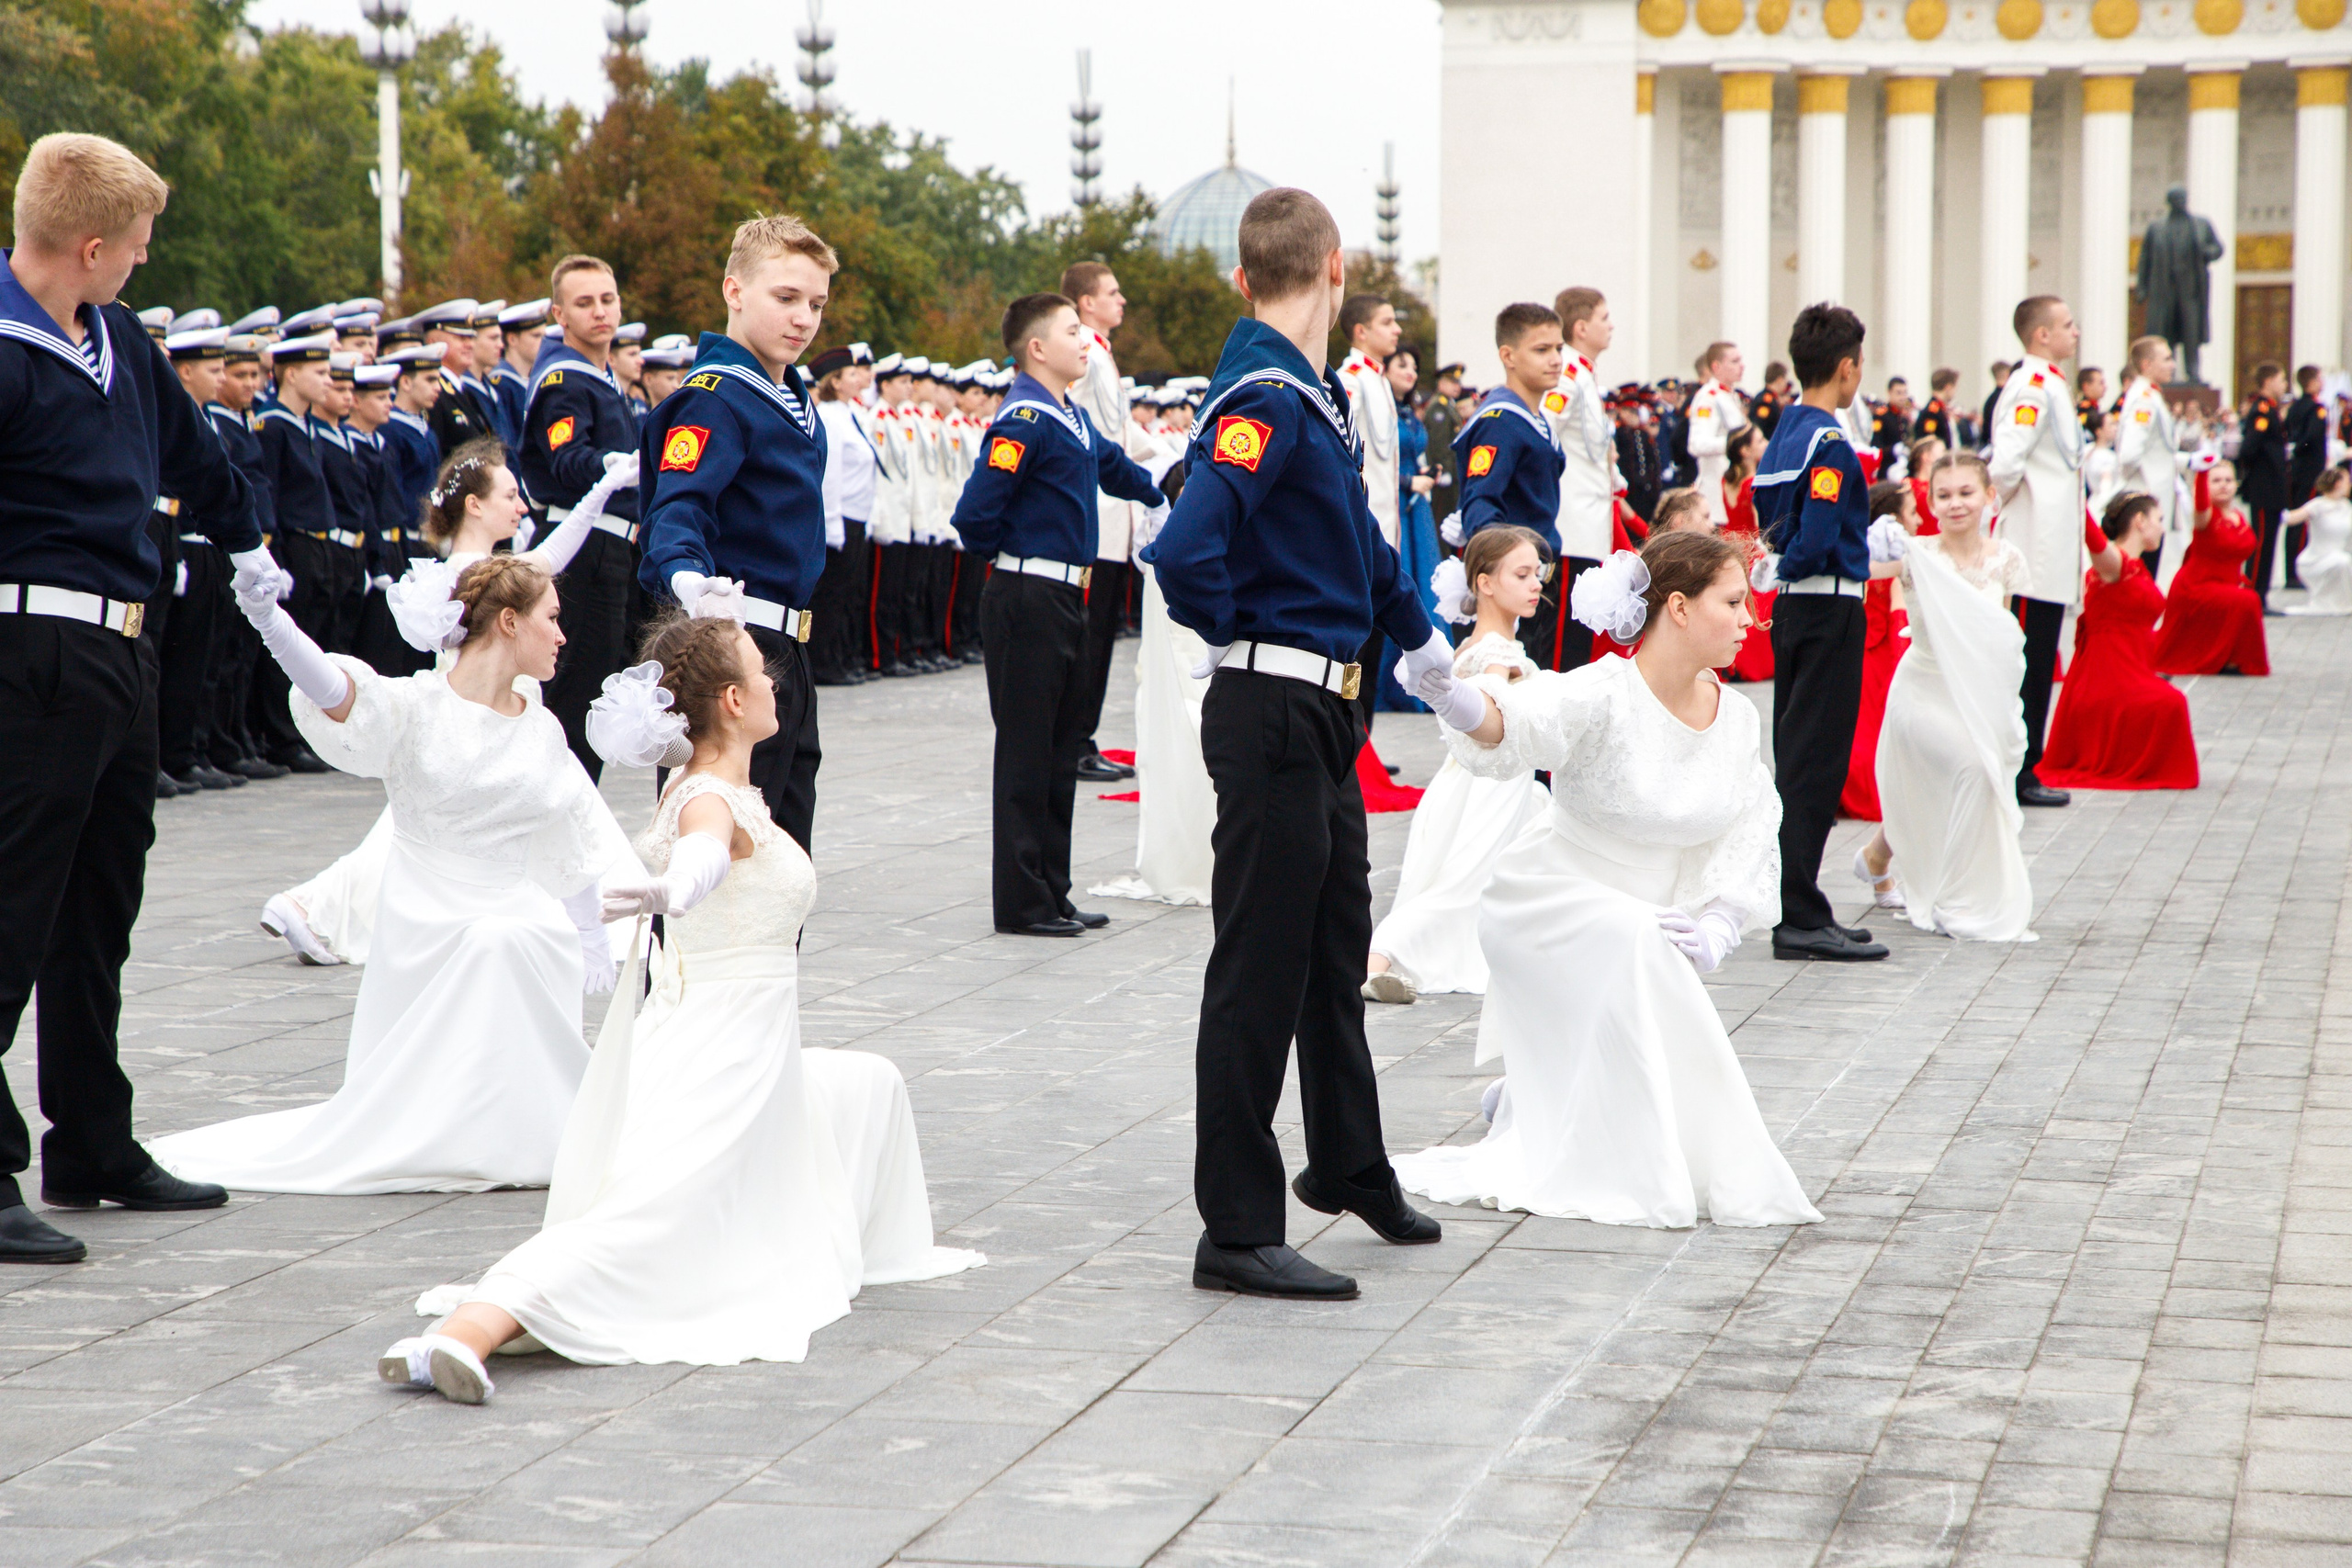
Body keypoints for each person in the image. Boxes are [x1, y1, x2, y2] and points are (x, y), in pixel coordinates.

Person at [379, 614, 981, 1404]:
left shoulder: (724, 787)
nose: (776, 682)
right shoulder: (706, 796)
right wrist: (672, 889)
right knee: (644, 1230)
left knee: (867, 1081)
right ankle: (461, 1335)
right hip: (723, 1053)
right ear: (733, 701)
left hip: (735, 1039)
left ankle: (497, 1321)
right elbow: (702, 853)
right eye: (762, 673)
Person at [1141, 186, 1468, 1302]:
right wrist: (1242, 630)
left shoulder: (1309, 400)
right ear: (1337, 267)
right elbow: (1186, 552)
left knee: (1332, 953)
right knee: (1258, 971)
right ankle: (1233, 1228)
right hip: (1276, 706)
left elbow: (1364, 552)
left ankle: (1347, 1161)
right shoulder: (1267, 395)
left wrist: (1427, 656)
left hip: (1323, 710)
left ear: (1245, 277)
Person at [0, 133, 289, 1258]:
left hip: (121, 651)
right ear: (88, 244)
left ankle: (92, 1138)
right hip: (27, 648)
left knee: (97, 911)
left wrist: (248, 540)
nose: (142, 264)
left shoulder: (117, 338)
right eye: (136, 247)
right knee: (13, 908)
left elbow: (195, 455)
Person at [153, 554, 632, 1195]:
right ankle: (453, 1124)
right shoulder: (417, 706)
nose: (563, 634)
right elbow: (334, 689)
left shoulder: (541, 726)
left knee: (514, 937)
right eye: (553, 617)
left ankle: (534, 1120)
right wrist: (270, 621)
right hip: (430, 914)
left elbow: (569, 826)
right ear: (511, 622)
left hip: (520, 908)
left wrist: (590, 930)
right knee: (495, 943)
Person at [1391, 530, 1819, 1230]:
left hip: (1650, 917)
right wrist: (1451, 696)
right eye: (1735, 602)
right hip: (1549, 900)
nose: (1753, 619)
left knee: (1643, 944)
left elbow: (1750, 821)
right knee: (1637, 941)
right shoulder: (1603, 691)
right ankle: (1593, 1136)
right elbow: (1518, 724)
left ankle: (1533, 1099)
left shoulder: (1737, 718)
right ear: (1677, 607)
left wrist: (1720, 918)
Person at [258, 443, 635, 968]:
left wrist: (602, 491)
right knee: (423, 833)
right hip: (469, 715)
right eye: (510, 494)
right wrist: (601, 491)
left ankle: (312, 904)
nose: (522, 505)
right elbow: (548, 558)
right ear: (475, 505)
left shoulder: (489, 567)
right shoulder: (470, 571)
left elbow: (551, 555)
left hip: (504, 714)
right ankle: (314, 904)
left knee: (436, 826)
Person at [949, 292, 1164, 938]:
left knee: (1059, 747)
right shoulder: (1024, 419)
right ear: (1037, 348)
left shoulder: (1064, 412)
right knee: (1026, 751)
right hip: (1028, 596)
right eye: (1074, 331)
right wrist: (1017, 561)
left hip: (1068, 594)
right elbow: (974, 516)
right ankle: (1023, 902)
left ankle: (1054, 889)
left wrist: (1165, 489)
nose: (1085, 341)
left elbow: (1113, 465)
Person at [637, 215, 836, 855]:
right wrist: (693, 581)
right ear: (734, 291)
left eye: (816, 303)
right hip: (735, 645)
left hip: (786, 649)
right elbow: (676, 512)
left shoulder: (790, 399)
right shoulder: (718, 397)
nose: (804, 317)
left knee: (782, 846)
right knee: (721, 846)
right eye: (786, 298)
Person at [1363, 528, 1551, 1004]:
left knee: (1469, 880)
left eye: (1538, 575)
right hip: (1492, 784)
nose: (1536, 585)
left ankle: (1382, 960)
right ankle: (1376, 960)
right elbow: (1491, 704)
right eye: (1523, 574)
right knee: (1462, 885)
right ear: (1485, 583)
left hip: (1465, 782)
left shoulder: (1471, 644)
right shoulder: (1497, 654)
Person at [1856, 453, 2038, 942]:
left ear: (1988, 497)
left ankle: (1878, 855)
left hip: (1978, 692)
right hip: (1923, 689)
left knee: (1978, 771)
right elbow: (1859, 567)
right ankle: (1957, 897)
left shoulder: (2007, 559)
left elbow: (1997, 634)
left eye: (1966, 492)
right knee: (1972, 770)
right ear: (1929, 501)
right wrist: (1873, 537)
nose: (1956, 504)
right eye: (1944, 495)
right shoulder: (1915, 554)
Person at [1754, 302, 1888, 963]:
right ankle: (1799, 913)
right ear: (1846, 368)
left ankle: (1801, 903)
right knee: (1814, 765)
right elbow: (1813, 534)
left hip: (1793, 610)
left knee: (1799, 757)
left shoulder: (1783, 433)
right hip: (1826, 605)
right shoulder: (1827, 440)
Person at [526, 255, 643, 779]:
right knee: (574, 693)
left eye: (607, 299)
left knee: (595, 685)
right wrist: (612, 466)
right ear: (560, 315)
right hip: (582, 545)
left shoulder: (603, 376)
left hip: (610, 544)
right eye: (584, 303)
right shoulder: (564, 381)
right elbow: (567, 458)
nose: (600, 312)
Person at [1987, 296, 2089, 808]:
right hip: (2031, 547)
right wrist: (2001, 515)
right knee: (2027, 663)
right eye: (2067, 325)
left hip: (2049, 549)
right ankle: (2019, 769)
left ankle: (2028, 766)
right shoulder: (2032, 385)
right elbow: (2006, 462)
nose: (2076, 332)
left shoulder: (2050, 382)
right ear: (2041, 335)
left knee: (2042, 656)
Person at [2041, 491, 2199, 791]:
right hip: (2107, 678)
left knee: (2170, 700)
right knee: (2171, 703)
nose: (2163, 528)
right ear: (2140, 521)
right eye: (2159, 520)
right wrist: (2073, 493)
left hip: (2127, 671)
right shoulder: (2115, 565)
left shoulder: (2134, 568)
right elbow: (2095, 543)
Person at [1453, 303, 1569, 667]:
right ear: (1508, 355)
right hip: (1512, 583)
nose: (1555, 359)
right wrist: (1510, 570)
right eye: (1541, 349)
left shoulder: (1536, 418)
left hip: (1535, 578)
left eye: (1558, 348)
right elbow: (1480, 503)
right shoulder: (1501, 419)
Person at [1064, 263, 1144, 783]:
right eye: (1112, 293)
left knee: (1101, 639)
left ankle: (1083, 738)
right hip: (1097, 512)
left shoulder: (1103, 355)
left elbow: (1123, 432)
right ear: (1087, 302)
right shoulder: (1085, 353)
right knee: (1088, 641)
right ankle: (1074, 743)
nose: (1122, 301)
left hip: (1117, 517)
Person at [1544, 286, 1620, 674]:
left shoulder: (1584, 375)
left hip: (1588, 528)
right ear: (1580, 327)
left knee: (1579, 644)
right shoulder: (1568, 374)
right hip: (1570, 528)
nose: (1611, 326)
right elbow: (1544, 433)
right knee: (1563, 653)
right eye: (1604, 318)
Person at [1839, 480, 1917, 834]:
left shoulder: (1861, 558)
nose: (1918, 520)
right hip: (1885, 651)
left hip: (1866, 650)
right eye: (1912, 513)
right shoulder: (1895, 561)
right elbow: (1899, 614)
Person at [2154, 459, 2269, 675]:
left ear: (2236, 485)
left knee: (2245, 598)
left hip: (2225, 585)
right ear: (2206, 487)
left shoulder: (2239, 516)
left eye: (2228, 480)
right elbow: (2200, 507)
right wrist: (2201, 473)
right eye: (2216, 481)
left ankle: (2231, 657)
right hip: (2196, 586)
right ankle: (2232, 659)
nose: (2223, 485)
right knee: (2248, 600)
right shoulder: (2205, 516)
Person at [809, 342, 877, 685]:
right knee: (832, 595)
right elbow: (831, 474)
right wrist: (832, 523)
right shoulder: (831, 417)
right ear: (835, 381)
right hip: (841, 518)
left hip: (857, 517)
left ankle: (839, 658)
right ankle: (824, 663)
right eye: (852, 373)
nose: (861, 378)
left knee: (847, 593)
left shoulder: (850, 414)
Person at [2117, 337, 2186, 587]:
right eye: (2166, 358)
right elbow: (2129, 454)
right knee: (2143, 576)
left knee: (2150, 575)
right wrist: (2139, 488)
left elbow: (2159, 452)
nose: (2172, 365)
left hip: (2154, 500)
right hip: (2146, 501)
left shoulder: (2151, 395)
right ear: (2146, 364)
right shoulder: (2144, 398)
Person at [2239, 363, 2290, 606]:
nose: (2284, 385)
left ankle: (2262, 594)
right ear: (2268, 381)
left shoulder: (2270, 408)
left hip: (2272, 487)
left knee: (2269, 542)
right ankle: (2254, 595)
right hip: (2264, 487)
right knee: (2260, 543)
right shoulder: (2261, 409)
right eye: (2281, 380)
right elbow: (2249, 447)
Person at [1685, 342, 1748, 525]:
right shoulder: (1709, 397)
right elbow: (1697, 444)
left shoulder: (1730, 396)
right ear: (1716, 367)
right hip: (1716, 497)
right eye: (1735, 361)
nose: (1741, 365)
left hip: (1733, 489)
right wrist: (1735, 444)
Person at [2285, 465, 2352, 615]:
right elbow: (2293, 518)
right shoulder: (2318, 505)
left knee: (2344, 560)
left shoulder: (2346, 506)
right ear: (2338, 484)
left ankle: (2341, 602)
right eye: (2348, 481)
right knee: (2342, 561)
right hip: (2315, 560)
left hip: (2337, 556)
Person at [1912, 368, 1960, 447]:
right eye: (1955, 387)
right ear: (1948, 387)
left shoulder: (1940, 410)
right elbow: (1928, 443)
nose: (1956, 391)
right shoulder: (1932, 413)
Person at [1750, 361, 1791, 439]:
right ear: (1780, 380)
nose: (1786, 383)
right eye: (1785, 379)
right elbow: (1760, 426)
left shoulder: (1771, 399)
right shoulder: (1765, 402)